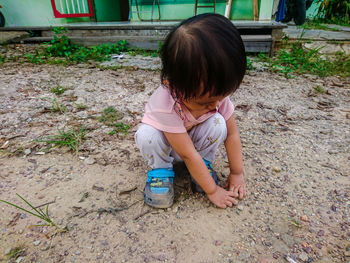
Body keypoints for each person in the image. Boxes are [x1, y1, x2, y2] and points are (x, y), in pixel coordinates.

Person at [135, 13, 247, 209]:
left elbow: (232, 134)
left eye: (222, 96)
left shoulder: (215, 96)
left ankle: (203, 165)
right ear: (172, 85)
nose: (216, 105)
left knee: (219, 123)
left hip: (193, 148)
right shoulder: (165, 103)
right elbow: (187, 154)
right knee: (147, 135)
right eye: (205, 103)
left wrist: (237, 173)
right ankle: (161, 171)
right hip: (169, 146)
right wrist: (213, 190)